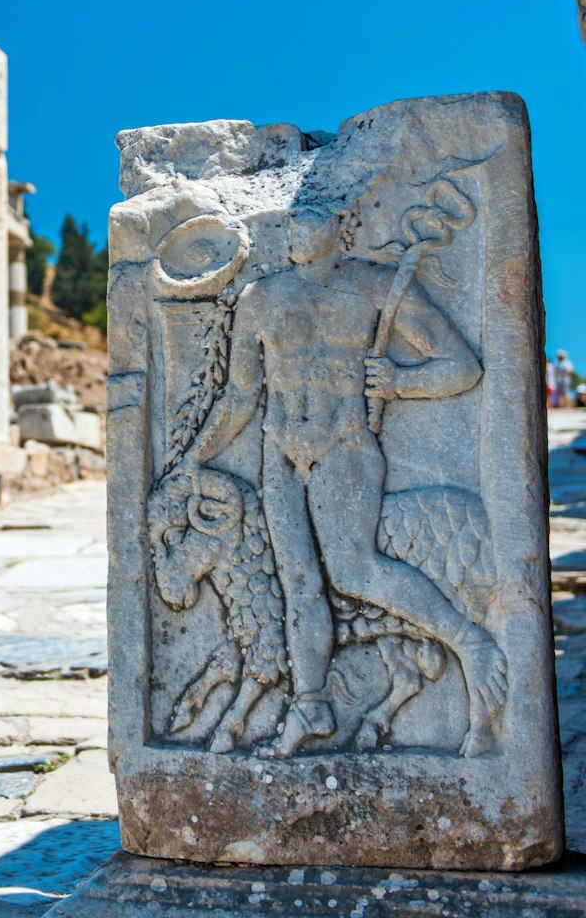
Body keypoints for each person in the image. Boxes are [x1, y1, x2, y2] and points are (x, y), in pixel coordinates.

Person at [185, 204, 506, 757]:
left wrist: (403, 382)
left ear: (344, 228)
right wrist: (196, 457)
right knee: (299, 585)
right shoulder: (260, 298)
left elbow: (462, 366)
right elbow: (240, 396)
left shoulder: (377, 286)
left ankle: (470, 642)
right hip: (280, 450)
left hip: (345, 446)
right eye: (293, 222)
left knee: (354, 570)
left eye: (314, 219)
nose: (299, 231)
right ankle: (310, 705)